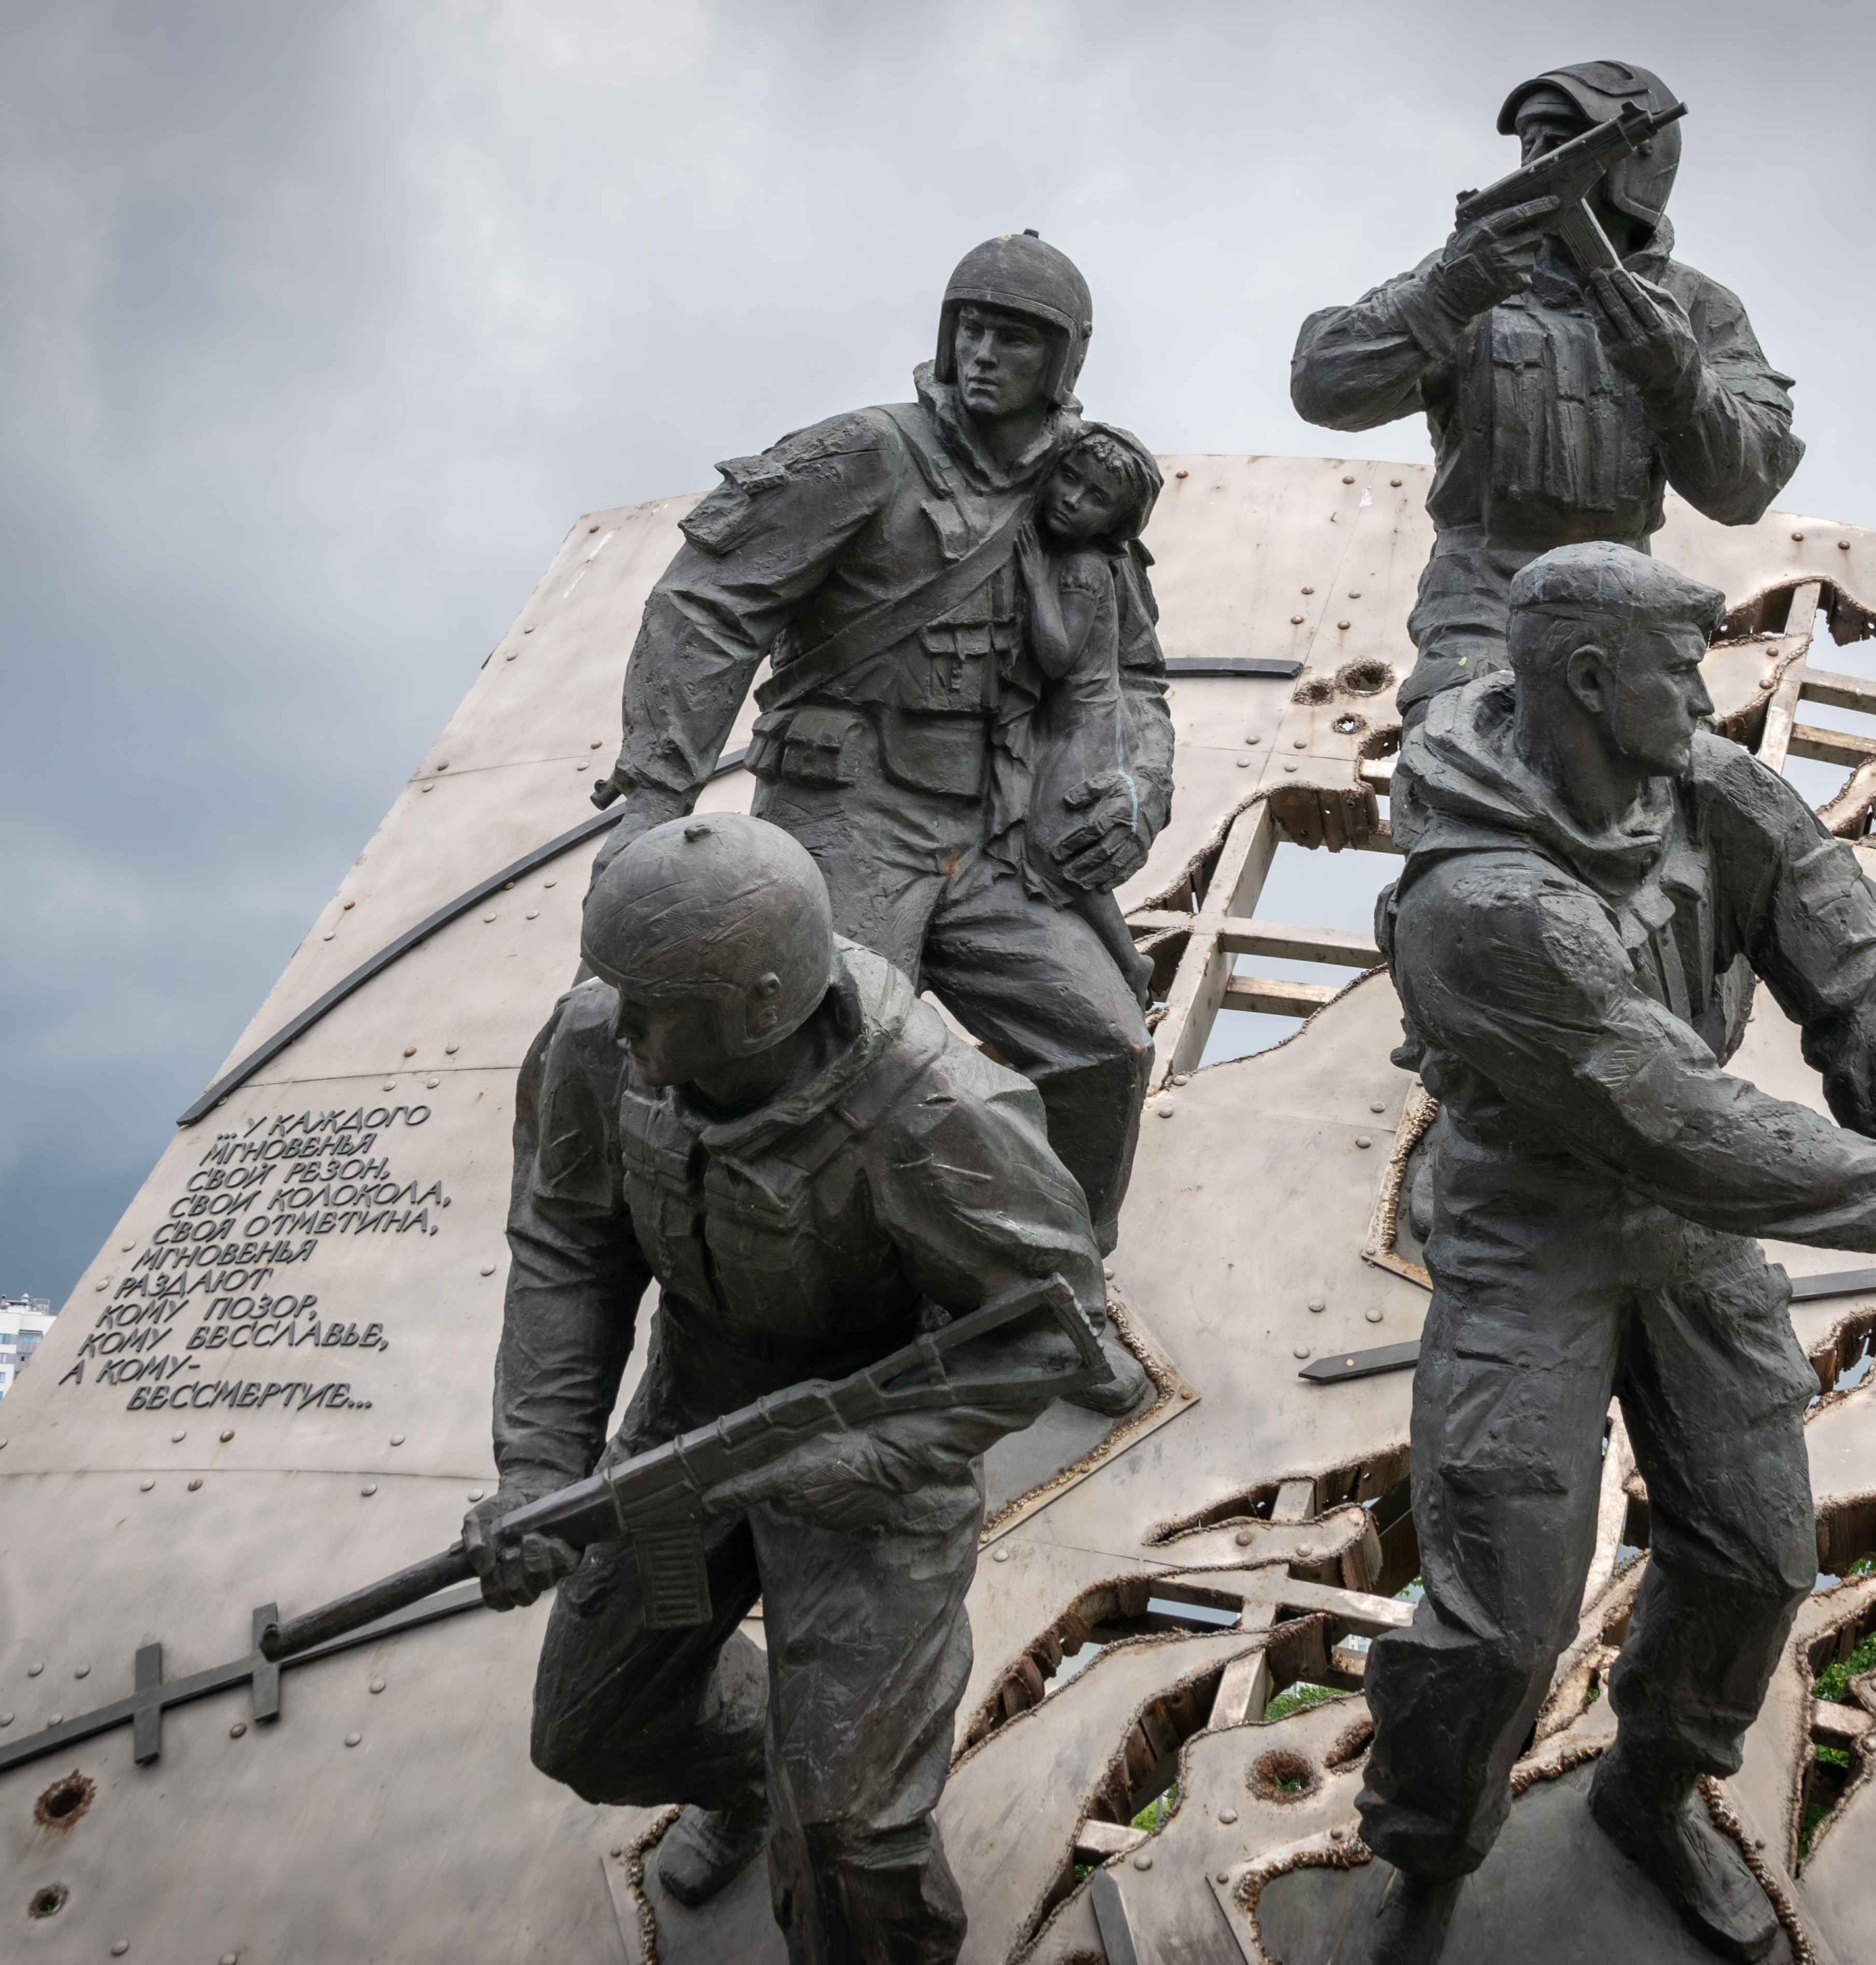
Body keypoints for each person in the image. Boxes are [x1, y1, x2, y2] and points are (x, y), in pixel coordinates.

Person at [1349, 543, 1876, 1965]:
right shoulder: (1478, 901)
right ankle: (1426, 1860)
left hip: (1694, 1237)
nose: (1701, 691)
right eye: (1676, 667)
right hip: (1533, 1236)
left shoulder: (1709, 789)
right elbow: (1668, 1111)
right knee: (1499, 1615)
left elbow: (1855, 966)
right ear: (1584, 677)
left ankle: (1650, 1787)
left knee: (1755, 1555)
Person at [469, 812, 1119, 1963]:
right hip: (692, 1410)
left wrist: (866, 1460)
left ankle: (833, 1813)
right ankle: (772, 1764)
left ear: (759, 1001)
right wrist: (537, 1469)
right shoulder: (597, 1038)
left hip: (875, 1430)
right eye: (610, 988)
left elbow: (1049, 1332)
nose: (613, 1024)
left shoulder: (933, 1113)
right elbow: (568, 1248)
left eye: (649, 1004)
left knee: (855, 1844)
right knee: (595, 1729)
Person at [594, 235, 1172, 1272]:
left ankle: (1052, 1294)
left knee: (1104, 1046)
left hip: (993, 837)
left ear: (1064, 362)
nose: (984, 353)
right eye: (971, 328)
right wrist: (651, 790)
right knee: (832, 1071)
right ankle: (812, 1324)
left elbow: (1128, 679)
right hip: (844, 809)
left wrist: (1135, 785)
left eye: (1016, 338)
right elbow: (706, 603)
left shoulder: (1087, 488)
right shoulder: (866, 450)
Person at [1289, 60, 1803, 737]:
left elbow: (1744, 487)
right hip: (1478, 614)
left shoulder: (1698, 309)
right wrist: (1444, 295)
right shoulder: (1472, 276)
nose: (1533, 159)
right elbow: (1323, 387)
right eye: (1527, 141)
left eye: (1559, 140)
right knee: (1464, 764)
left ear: (1632, 163)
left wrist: (1677, 381)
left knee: (1689, 796)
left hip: (1627, 621)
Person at [1003, 421, 1171, 987]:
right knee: (1057, 843)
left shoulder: (1081, 567)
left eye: (1095, 497)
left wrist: (1032, 578)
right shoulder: (1080, 561)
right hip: (1070, 724)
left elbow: (1055, 655)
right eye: (1068, 480)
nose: (1072, 501)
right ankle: (1130, 962)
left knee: (1057, 842)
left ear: (1116, 521)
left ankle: (1128, 964)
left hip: (1084, 727)